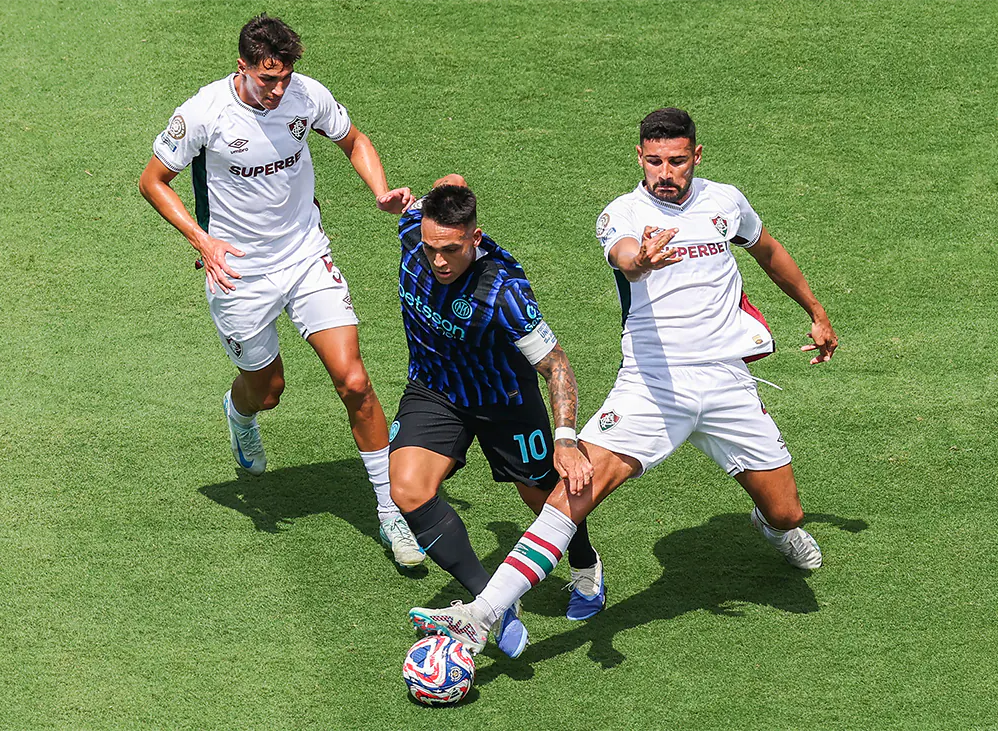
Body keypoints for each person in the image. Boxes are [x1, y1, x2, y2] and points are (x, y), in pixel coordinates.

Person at [409, 107, 840, 653]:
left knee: (788, 511)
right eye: (655, 160)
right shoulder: (622, 213)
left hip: (727, 383)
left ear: (696, 157)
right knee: (574, 490)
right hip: (651, 388)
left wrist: (816, 312)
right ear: (639, 157)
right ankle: (481, 614)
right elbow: (626, 257)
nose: (666, 171)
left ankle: (771, 526)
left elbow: (769, 251)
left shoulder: (726, 201)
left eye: (677, 161)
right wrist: (644, 258)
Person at [138, 14, 422, 566]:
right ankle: (239, 414)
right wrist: (204, 242)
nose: (277, 89)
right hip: (239, 272)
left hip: (305, 255)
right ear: (241, 66)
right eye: (267, 79)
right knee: (267, 390)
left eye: (285, 77)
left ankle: (392, 512)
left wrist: (381, 190)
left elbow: (353, 139)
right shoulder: (204, 113)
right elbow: (152, 181)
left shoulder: (306, 97)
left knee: (355, 381)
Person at [391, 176, 599, 658]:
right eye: (430, 247)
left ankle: (586, 566)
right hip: (435, 388)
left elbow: (557, 365)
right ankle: (495, 604)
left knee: (544, 497)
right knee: (407, 489)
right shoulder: (412, 231)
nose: (438, 260)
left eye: (451, 249)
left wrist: (565, 439)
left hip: (504, 399)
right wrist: (431, 190)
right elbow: (447, 186)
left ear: (475, 239)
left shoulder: (503, 292)